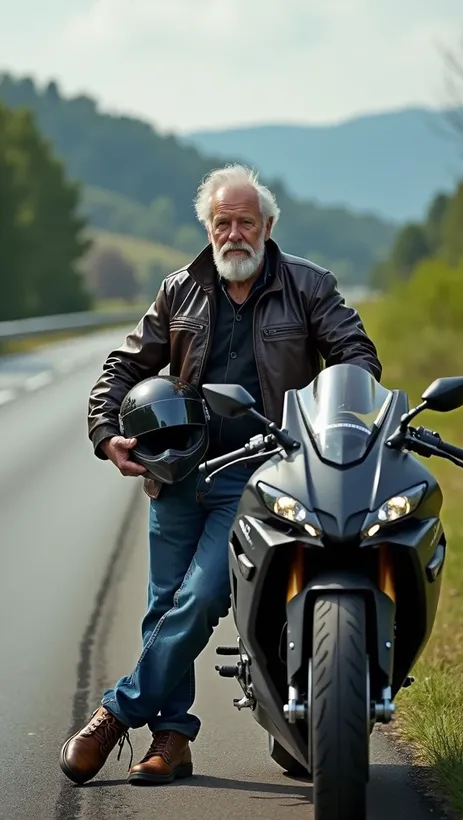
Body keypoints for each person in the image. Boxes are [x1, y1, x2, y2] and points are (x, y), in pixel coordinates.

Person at [59, 163, 382, 787]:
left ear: (267, 226)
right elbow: (121, 367)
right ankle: (172, 740)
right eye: (222, 222)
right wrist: (107, 435)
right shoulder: (179, 288)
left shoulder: (310, 287)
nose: (235, 234)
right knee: (163, 606)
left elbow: (358, 357)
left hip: (263, 472)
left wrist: (335, 417)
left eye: (246, 222)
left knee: (204, 595)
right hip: (179, 468)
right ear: (209, 227)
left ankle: (115, 712)